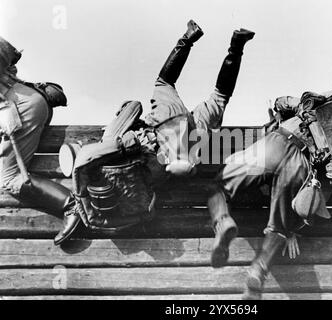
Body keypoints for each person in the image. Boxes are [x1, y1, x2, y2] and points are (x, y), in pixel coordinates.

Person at [54, 20, 255, 245]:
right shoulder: (106, 147)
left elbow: (173, 170)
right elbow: (132, 107)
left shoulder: (124, 191)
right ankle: (190, 38)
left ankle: (236, 45)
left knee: (218, 97)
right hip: (164, 126)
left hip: (184, 143)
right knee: (165, 82)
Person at [207, 89, 332, 300]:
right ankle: (258, 270)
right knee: (281, 226)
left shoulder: (329, 98)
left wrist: (296, 107)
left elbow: (280, 101)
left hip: (277, 143)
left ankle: (223, 221)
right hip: (300, 164)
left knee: (218, 185)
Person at [0, 37, 71, 225]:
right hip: (27, 98)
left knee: (11, 179)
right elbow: (10, 58)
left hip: (19, 109)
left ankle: (72, 206)